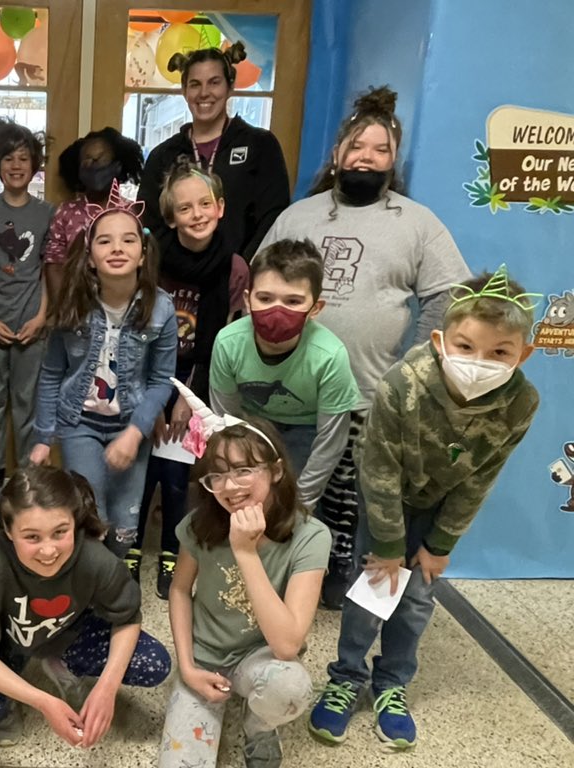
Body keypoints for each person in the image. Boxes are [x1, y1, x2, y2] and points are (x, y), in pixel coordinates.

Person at [309, 267, 539, 750]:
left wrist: (440, 544)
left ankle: (392, 684)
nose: (480, 361)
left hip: (439, 509)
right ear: (440, 340)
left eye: (500, 352)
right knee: (372, 592)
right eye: (466, 346)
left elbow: (480, 478)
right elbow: (379, 469)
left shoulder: (521, 403)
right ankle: (346, 677)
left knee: (415, 601)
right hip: (386, 503)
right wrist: (389, 546)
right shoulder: (403, 383)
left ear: (524, 354)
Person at [259, 86, 472, 607]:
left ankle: (351, 595)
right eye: (357, 147)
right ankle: (285, 583)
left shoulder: (417, 221)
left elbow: (450, 294)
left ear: (392, 159)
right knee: (295, 492)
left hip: (371, 395)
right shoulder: (299, 215)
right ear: (337, 155)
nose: (366, 158)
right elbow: (260, 292)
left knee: (362, 504)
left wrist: (414, 365)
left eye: (379, 150)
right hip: (296, 393)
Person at [160, 380, 331, 768]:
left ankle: (259, 727)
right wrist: (187, 667)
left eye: (243, 470)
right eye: (215, 475)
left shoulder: (310, 537)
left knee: (290, 688)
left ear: (275, 472)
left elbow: (288, 645)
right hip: (205, 657)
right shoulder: (201, 524)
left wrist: (245, 552)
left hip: (263, 656)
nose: (229, 486)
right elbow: (179, 591)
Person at [0, 466, 171, 748]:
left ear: (75, 523)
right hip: (5, 644)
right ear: (9, 531)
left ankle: (62, 664)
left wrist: (106, 688)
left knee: (154, 662)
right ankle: (10, 699)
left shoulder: (94, 559)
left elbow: (127, 616)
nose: (48, 551)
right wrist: (41, 700)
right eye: (32, 537)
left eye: (60, 532)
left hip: (69, 632)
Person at [30, 180, 177, 556]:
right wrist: (44, 438)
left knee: (125, 522)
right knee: (90, 512)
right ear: (90, 256)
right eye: (105, 241)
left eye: (128, 240)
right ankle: (91, 591)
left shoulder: (161, 309)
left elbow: (162, 381)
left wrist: (135, 432)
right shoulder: (73, 303)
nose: (117, 248)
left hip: (131, 424)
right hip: (80, 423)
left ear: (143, 253)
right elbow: (51, 374)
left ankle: (116, 587)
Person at [127, 162, 250, 598]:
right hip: (146, 374)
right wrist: (151, 399)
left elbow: (223, 339)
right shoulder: (152, 258)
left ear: (219, 208)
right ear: (170, 216)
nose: (196, 214)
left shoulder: (234, 268)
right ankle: (131, 549)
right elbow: (135, 332)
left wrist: (187, 397)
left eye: (204, 204)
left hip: (197, 379)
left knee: (179, 476)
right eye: (184, 207)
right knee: (141, 472)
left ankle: (171, 554)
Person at [209, 238, 359, 512]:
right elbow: (225, 421)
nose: (277, 310)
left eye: (293, 301)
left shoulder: (330, 356)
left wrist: (302, 502)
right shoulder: (228, 343)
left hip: (308, 431)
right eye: (265, 298)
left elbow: (330, 441)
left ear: (315, 308)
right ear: (247, 299)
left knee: (287, 509)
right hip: (249, 423)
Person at [139, 45, 290, 263]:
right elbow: (150, 225)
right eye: (195, 84)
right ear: (184, 91)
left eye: (214, 82)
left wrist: (241, 269)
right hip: (176, 279)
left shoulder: (260, 145)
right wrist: (180, 268)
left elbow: (272, 218)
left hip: (239, 278)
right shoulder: (163, 155)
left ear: (230, 87)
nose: (204, 93)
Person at [0, 118, 55, 487]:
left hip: (31, 321)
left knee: (26, 403)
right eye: (8, 158)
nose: (16, 165)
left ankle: (26, 478)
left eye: (23, 158)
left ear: (34, 165)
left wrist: (43, 317)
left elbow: (49, 273)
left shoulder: (48, 214)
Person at [43, 127, 144, 302]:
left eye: (100, 159)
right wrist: (63, 307)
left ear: (117, 167)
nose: (94, 164)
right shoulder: (66, 212)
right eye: (87, 160)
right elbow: (54, 263)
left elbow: (143, 263)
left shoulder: (133, 212)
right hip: (75, 308)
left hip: (124, 306)